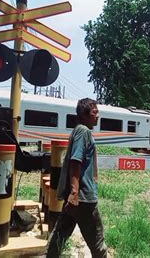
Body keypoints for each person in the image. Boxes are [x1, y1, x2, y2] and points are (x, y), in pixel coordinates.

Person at [46, 98, 108, 258]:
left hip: (75, 198)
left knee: (59, 237)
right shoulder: (83, 131)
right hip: (83, 198)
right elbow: (76, 160)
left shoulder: (79, 130)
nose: (98, 116)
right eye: (95, 112)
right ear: (84, 115)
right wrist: (74, 192)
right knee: (98, 244)